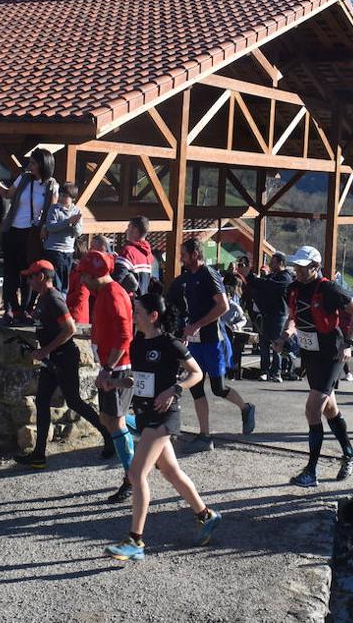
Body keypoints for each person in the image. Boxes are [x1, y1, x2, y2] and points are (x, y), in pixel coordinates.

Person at [104, 293, 222, 561]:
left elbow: (196, 373)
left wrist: (174, 390)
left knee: (136, 474)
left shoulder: (170, 344)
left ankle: (135, 541)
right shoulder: (137, 344)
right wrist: (116, 383)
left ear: (153, 315)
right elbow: (139, 380)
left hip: (164, 418)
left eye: (137, 311)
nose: (134, 315)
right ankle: (206, 515)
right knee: (170, 471)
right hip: (146, 415)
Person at [13, 260, 113, 468]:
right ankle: (39, 454)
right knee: (42, 402)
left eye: (31, 276)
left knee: (74, 401)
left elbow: (70, 328)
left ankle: (109, 437)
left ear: (41, 276)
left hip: (64, 357)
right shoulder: (42, 298)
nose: (28, 281)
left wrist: (45, 350)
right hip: (52, 359)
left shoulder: (54, 299)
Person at [283, 246, 353, 487]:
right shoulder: (294, 288)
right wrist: (286, 333)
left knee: (312, 408)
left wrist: (348, 343)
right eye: (295, 265)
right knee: (329, 409)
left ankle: (311, 472)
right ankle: (350, 453)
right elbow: (293, 316)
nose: (296, 270)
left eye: (302, 266)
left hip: (332, 353)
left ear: (315, 268)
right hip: (310, 354)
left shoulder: (329, 288)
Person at [171, 239, 256, 452]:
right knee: (196, 387)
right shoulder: (187, 278)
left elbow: (223, 306)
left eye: (184, 253)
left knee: (218, 388)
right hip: (196, 341)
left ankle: (246, 408)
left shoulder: (209, 274)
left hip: (213, 341)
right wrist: (187, 331)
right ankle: (205, 436)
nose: (181, 257)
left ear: (194, 255)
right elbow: (191, 310)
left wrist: (198, 325)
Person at [84, 250, 137, 503]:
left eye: (83, 275)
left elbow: (125, 336)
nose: (81, 281)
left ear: (93, 275)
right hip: (111, 365)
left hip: (117, 367)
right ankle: (152, 430)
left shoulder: (114, 294)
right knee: (108, 418)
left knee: (114, 422)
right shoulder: (105, 292)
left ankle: (132, 478)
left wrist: (108, 368)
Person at [0, 148, 59, 318]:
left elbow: (51, 211)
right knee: (10, 272)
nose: (29, 166)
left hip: (31, 234)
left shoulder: (51, 186)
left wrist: (45, 228)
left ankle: (25, 309)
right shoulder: (23, 179)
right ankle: (10, 308)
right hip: (12, 230)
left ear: (43, 165)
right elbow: (8, 194)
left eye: (33, 163)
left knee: (28, 273)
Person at [244, 253, 292, 381]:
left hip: (279, 316)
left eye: (273, 262)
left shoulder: (285, 278)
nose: (270, 264)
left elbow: (268, 285)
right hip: (266, 315)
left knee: (277, 344)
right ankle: (264, 371)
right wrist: (250, 277)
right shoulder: (272, 276)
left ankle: (276, 372)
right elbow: (260, 285)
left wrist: (254, 278)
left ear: (280, 263)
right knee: (264, 344)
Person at [41, 181, 82, 291]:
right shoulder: (54, 209)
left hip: (68, 251)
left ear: (72, 198)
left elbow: (78, 232)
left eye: (65, 196)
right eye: (61, 195)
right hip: (54, 250)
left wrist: (74, 224)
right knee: (56, 282)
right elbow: (51, 227)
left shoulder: (77, 211)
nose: (62, 198)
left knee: (65, 283)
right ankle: (57, 303)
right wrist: (67, 221)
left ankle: (62, 303)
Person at [118, 216, 155, 295]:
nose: (126, 230)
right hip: (142, 302)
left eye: (128, 227)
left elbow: (117, 281)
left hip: (128, 302)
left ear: (135, 230)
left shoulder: (128, 252)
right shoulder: (148, 255)